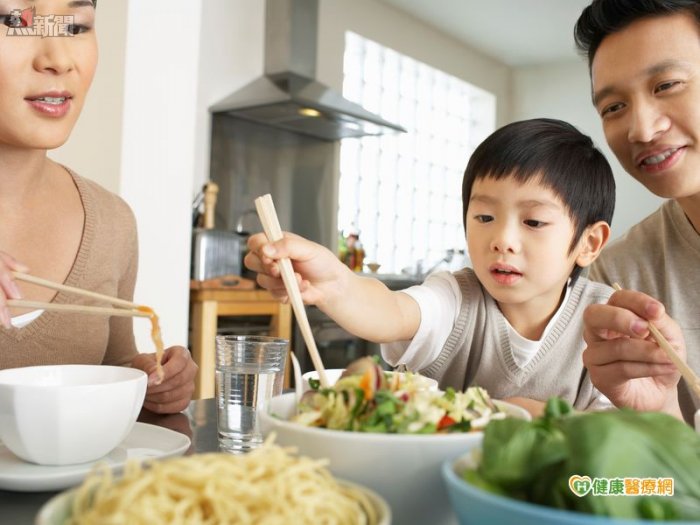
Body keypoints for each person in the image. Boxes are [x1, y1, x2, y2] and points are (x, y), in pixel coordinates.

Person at [246, 118, 617, 411]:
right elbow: (392, 311)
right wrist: (334, 284)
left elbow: (623, 437)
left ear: (589, 243)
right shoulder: (456, 298)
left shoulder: (605, 321)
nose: (502, 239)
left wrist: (545, 420)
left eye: (533, 222)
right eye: (485, 217)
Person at [0, 0, 197, 414]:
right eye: (13, 20)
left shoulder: (112, 222)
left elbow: (112, 365)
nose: (58, 60)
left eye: (76, 27)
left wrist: (148, 379)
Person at [574, 0, 699, 423]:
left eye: (666, 85)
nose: (641, 130)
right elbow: (667, 485)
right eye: (613, 107)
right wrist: (660, 410)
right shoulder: (623, 279)